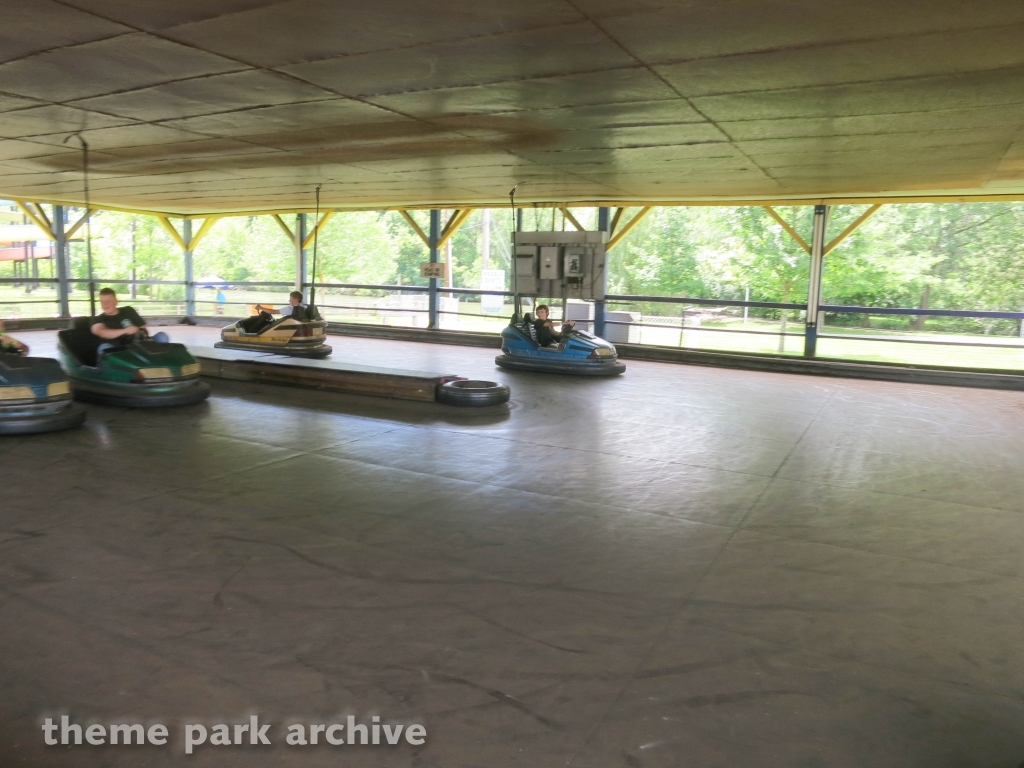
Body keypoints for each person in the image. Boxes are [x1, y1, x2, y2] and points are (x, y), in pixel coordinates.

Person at [91, 287, 168, 354]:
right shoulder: (98, 319)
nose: (105, 304)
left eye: (108, 301)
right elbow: (102, 332)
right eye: (102, 301)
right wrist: (125, 331)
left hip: (138, 344)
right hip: (116, 349)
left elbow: (143, 328)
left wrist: (139, 331)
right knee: (104, 348)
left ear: (116, 301)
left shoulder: (128, 310)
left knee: (162, 336)